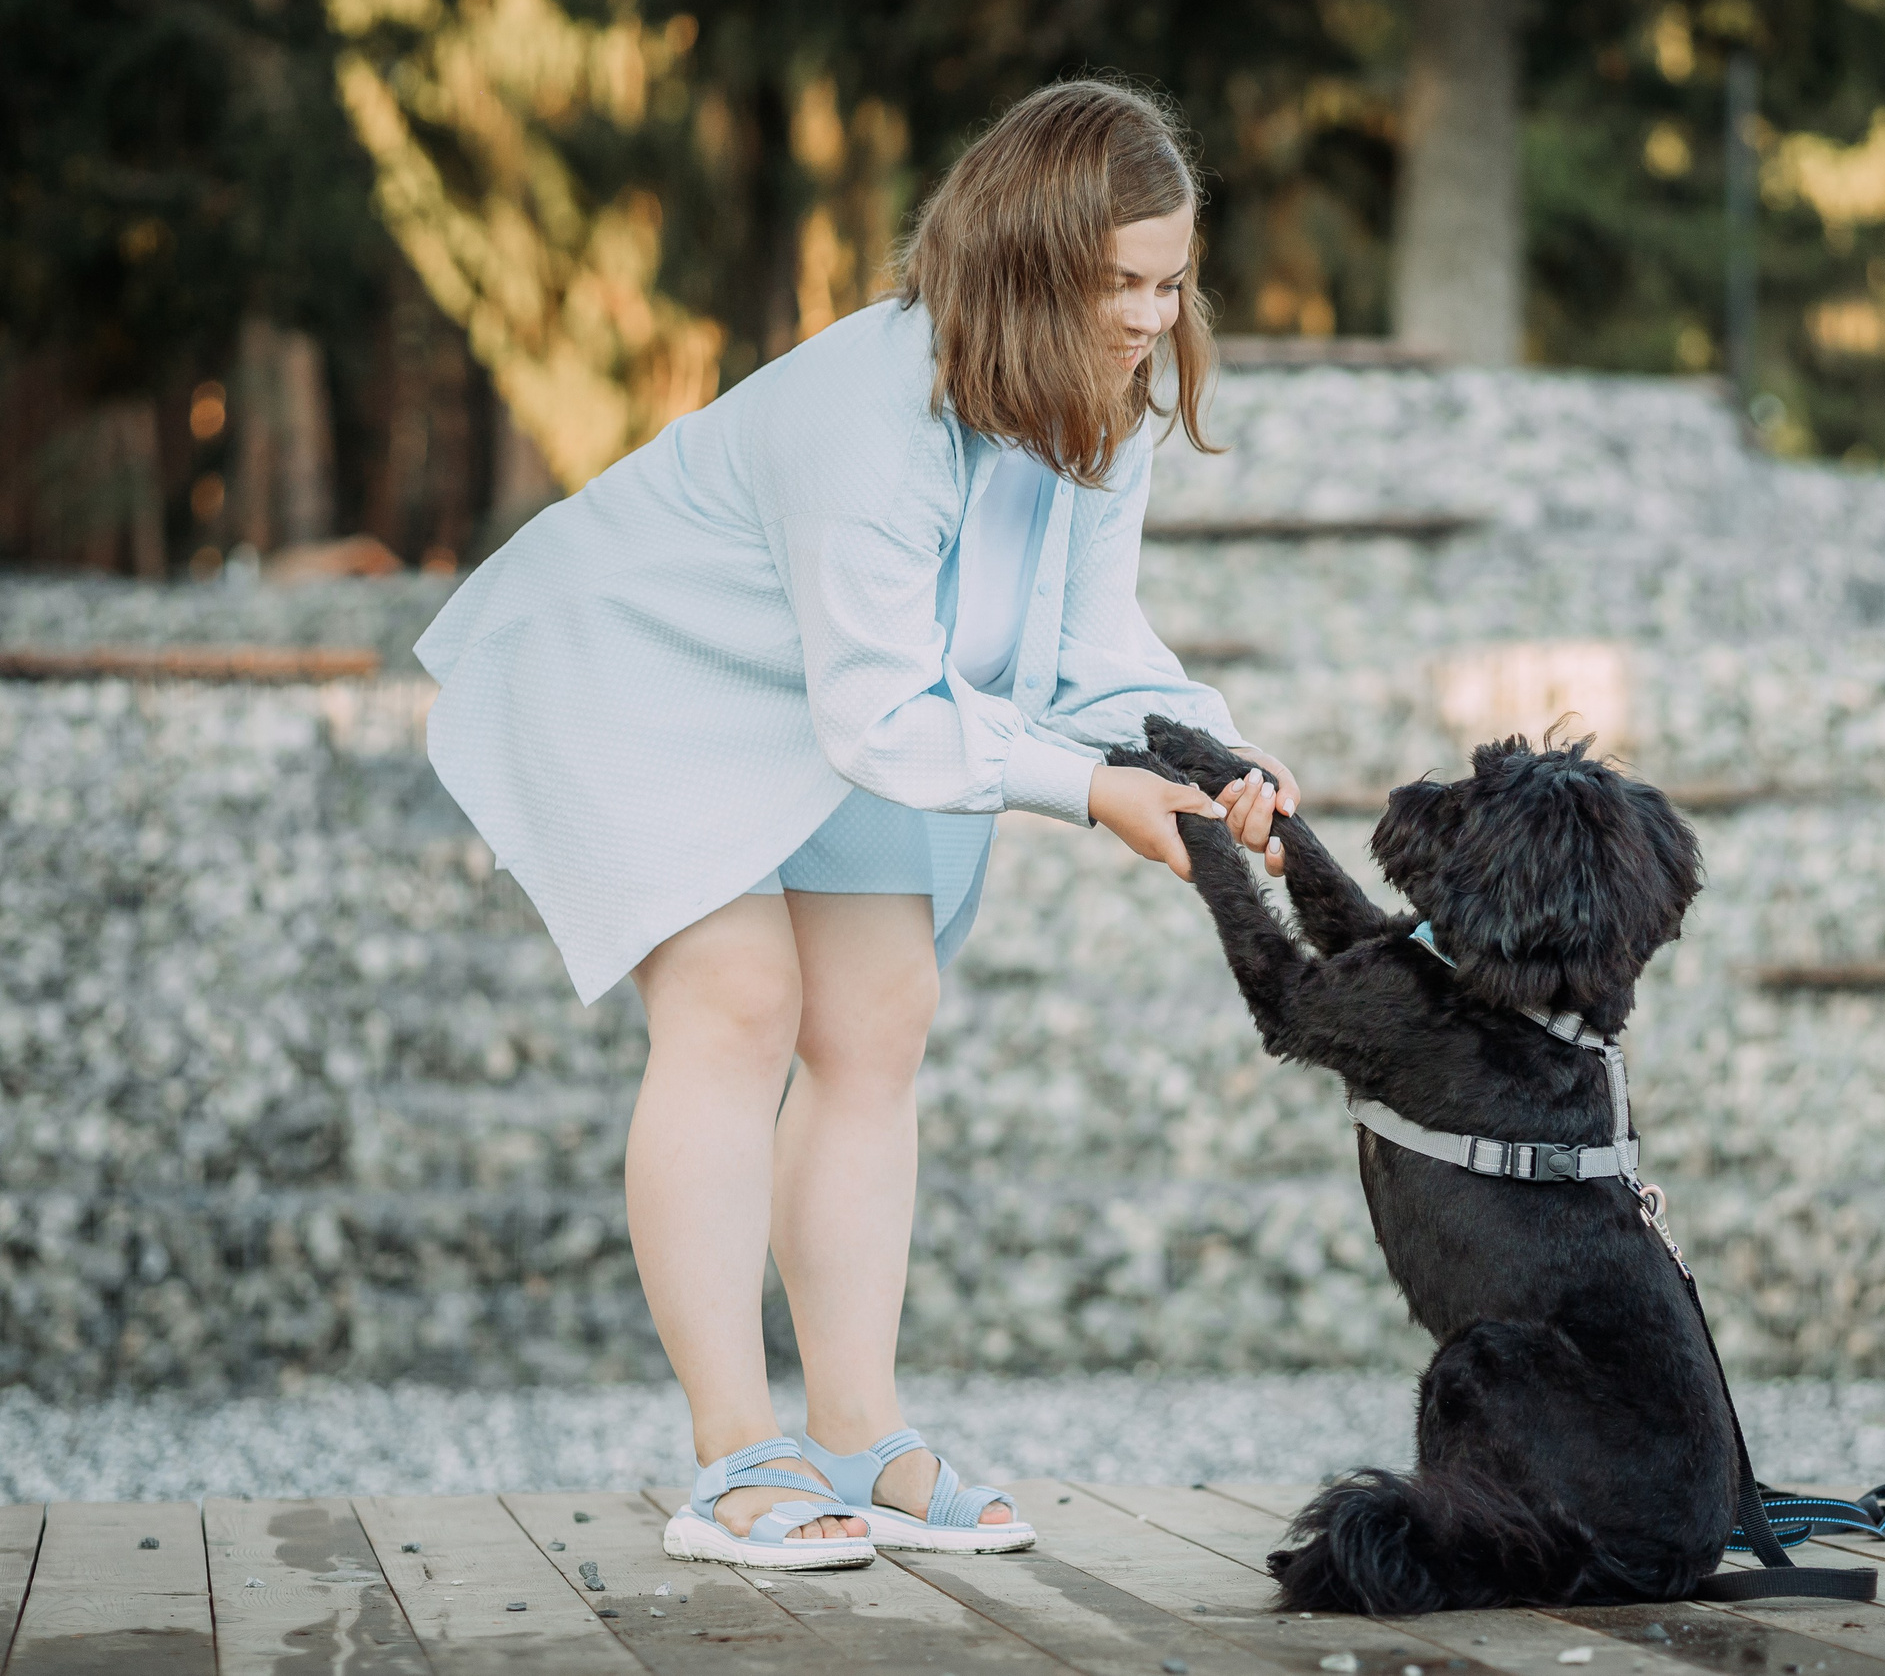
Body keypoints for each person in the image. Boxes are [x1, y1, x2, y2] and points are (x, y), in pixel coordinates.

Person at [414, 79, 1298, 1569]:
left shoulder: (1106, 400)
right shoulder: (869, 410)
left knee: (881, 1015)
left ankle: (858, 1431)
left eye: (1171, 283)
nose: (1151, 320)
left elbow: (1091, 642)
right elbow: (883, 714)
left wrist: (1208, 748)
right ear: (1025, 266)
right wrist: (1092, 793)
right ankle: (729, 1455)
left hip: (845, 694)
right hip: (639, 666)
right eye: (1119, 287)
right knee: (738, 1001)